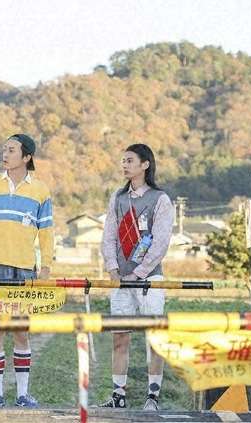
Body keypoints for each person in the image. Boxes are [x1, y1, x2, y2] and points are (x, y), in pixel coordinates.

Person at [0, 134, 54, 409]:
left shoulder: (41, 190)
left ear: (27, 157)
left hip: (24, 270)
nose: (5, 154)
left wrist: (46, 266)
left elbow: (47, 232)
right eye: (4, 149)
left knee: (21, 331)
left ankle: (23, 394)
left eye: (11, 150)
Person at [98, 144, 174, 411]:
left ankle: (152, 396)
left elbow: (161, 243)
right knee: (120, 337)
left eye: (130, 160)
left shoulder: (160, 199)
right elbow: (108, 236)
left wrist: (138, 273)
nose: (124, 165)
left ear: (145, 164)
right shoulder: (118, 197)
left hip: (149, 280)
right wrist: (112, 269)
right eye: (123, 161)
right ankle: (118, 395)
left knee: (155, 338)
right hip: (120, 280)